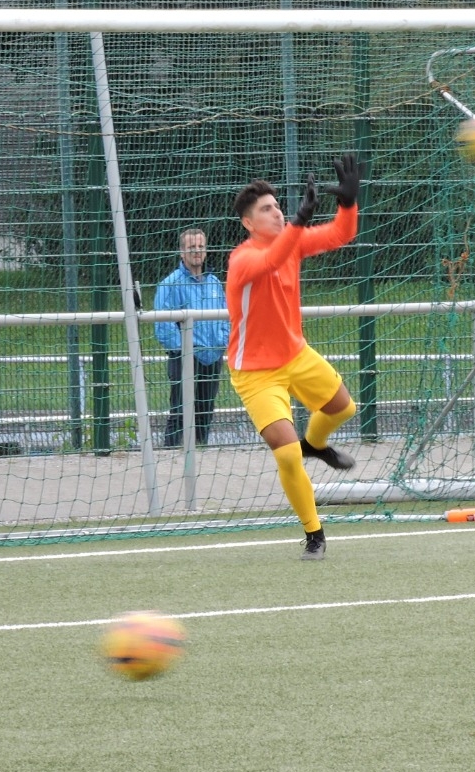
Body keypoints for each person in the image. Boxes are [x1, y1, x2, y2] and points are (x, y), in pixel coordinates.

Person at [226, 156, 363, 559]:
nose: (277, 212)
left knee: (344, 408)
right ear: (248, 223)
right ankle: (314, 534)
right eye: (266, 209)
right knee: (286, 453)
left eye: (277, 206)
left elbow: (341, 233)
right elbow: (270, 260)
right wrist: (300, 221)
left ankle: (315, 444)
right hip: (256, 372)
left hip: (296, 354)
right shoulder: (242, 259)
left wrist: (348, 203)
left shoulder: (293, 240)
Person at [153, 227, 230, 447]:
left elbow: (227, 316)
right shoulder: (170, 284)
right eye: (191, 247)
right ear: (181, 252)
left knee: (205, 412)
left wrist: (221, 342)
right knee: (180, 412)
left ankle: (201, 452)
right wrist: (186, 349)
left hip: (212, 357)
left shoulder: (214, 283)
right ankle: (171, 454)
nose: (197, 251)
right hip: (185, 359)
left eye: (200, 246)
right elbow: (163, 325)